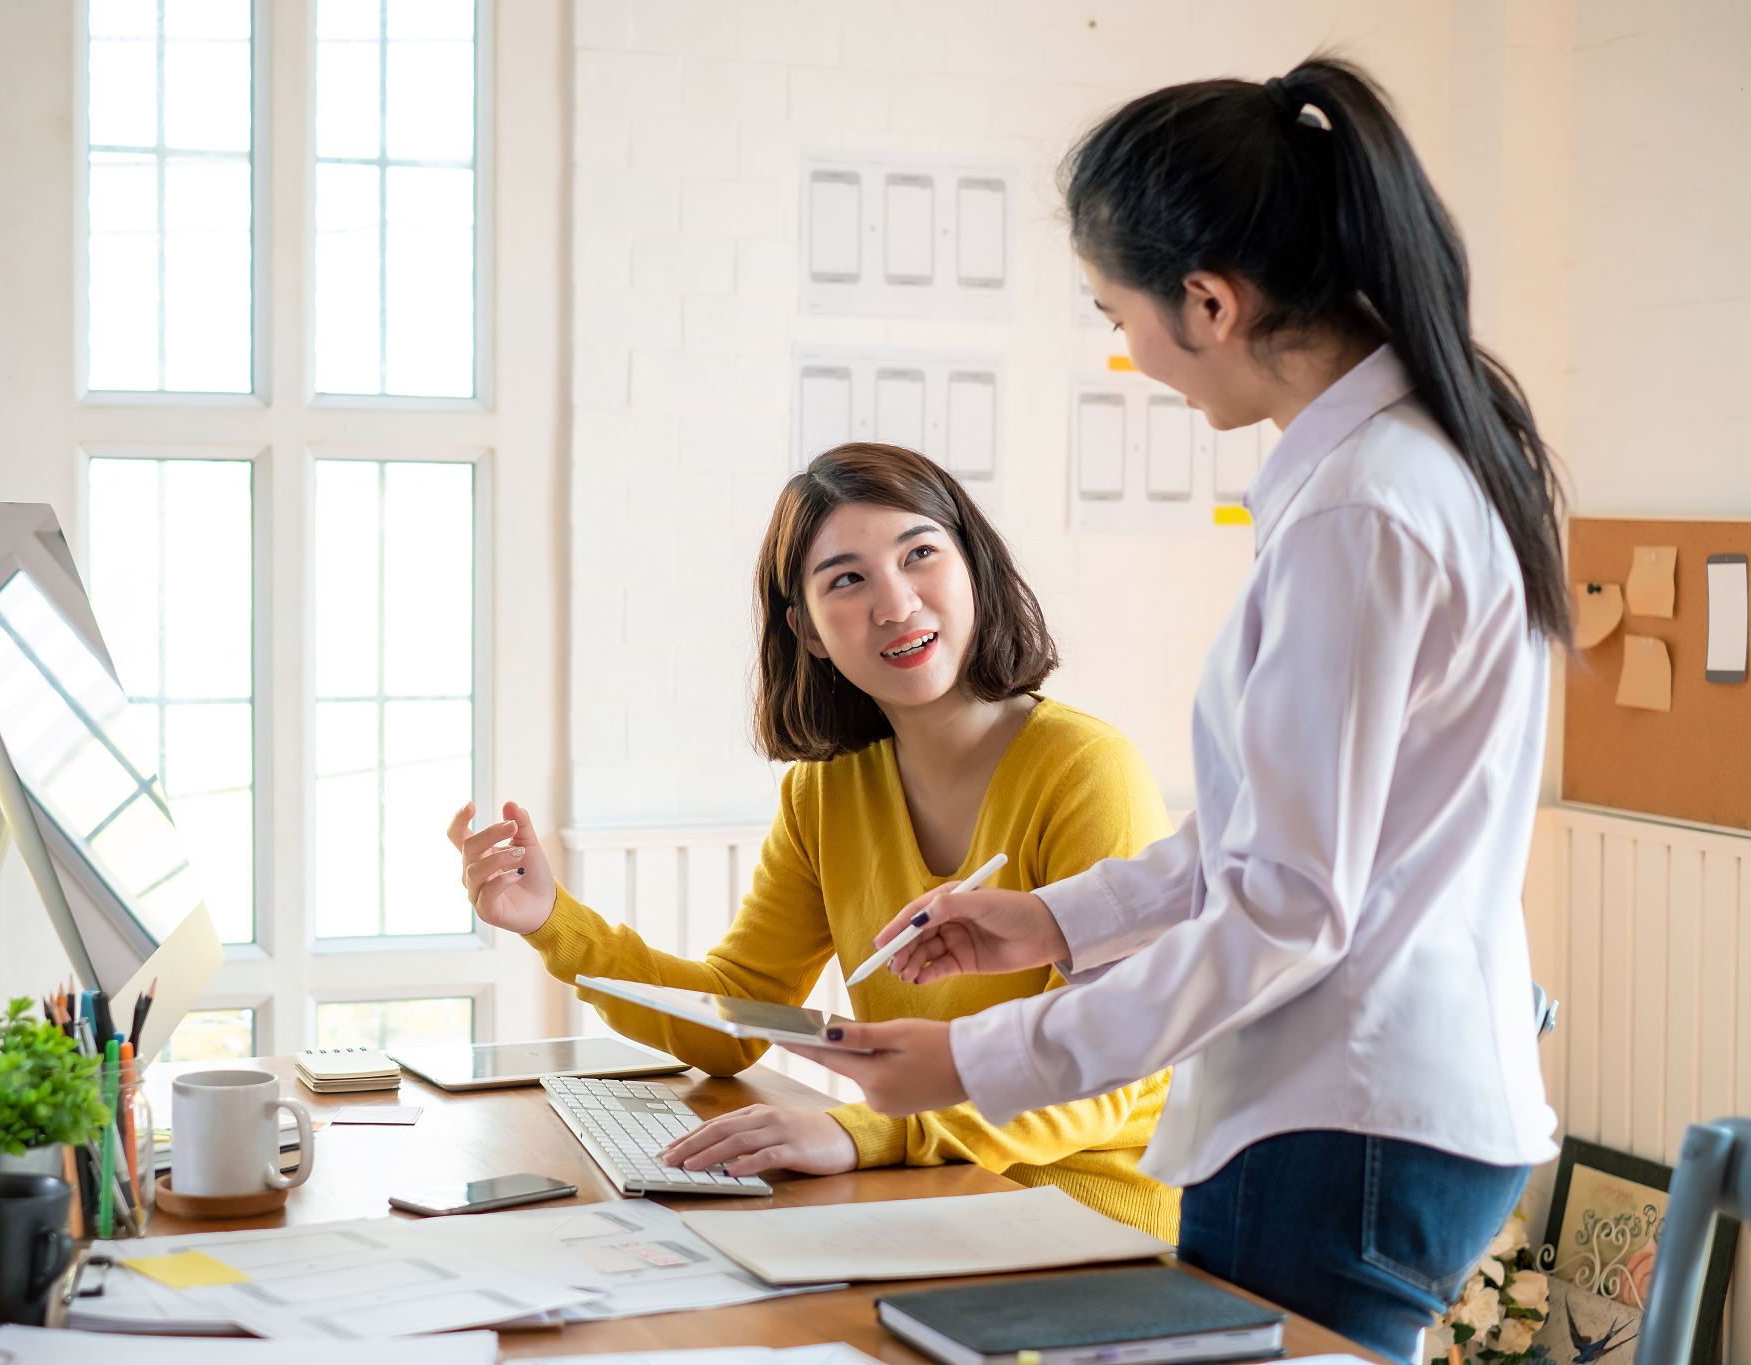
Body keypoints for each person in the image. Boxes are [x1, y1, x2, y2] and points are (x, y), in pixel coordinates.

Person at [798, 59, 1567, 1365]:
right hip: (1387, 1115)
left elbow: (1288, 906)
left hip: (1344, 1125)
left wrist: (974, 1061)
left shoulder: (1362, 510)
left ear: (1209, 302)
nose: (1129, 356)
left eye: (1123, 316)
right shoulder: (1406, 468)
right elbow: (1277, 841)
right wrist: (1052, 918)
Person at [447, 443, 1181, 1237]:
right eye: (848, 579)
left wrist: (862, 1132)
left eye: (921, 553)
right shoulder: (826, 789)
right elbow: (739, 1014)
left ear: (974, 566)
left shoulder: (1086, 769)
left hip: (1093, 1220)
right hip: (933, 1198)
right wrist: (554, 920)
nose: (896, 605)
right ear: (810, 631)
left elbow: (1110, 1068)